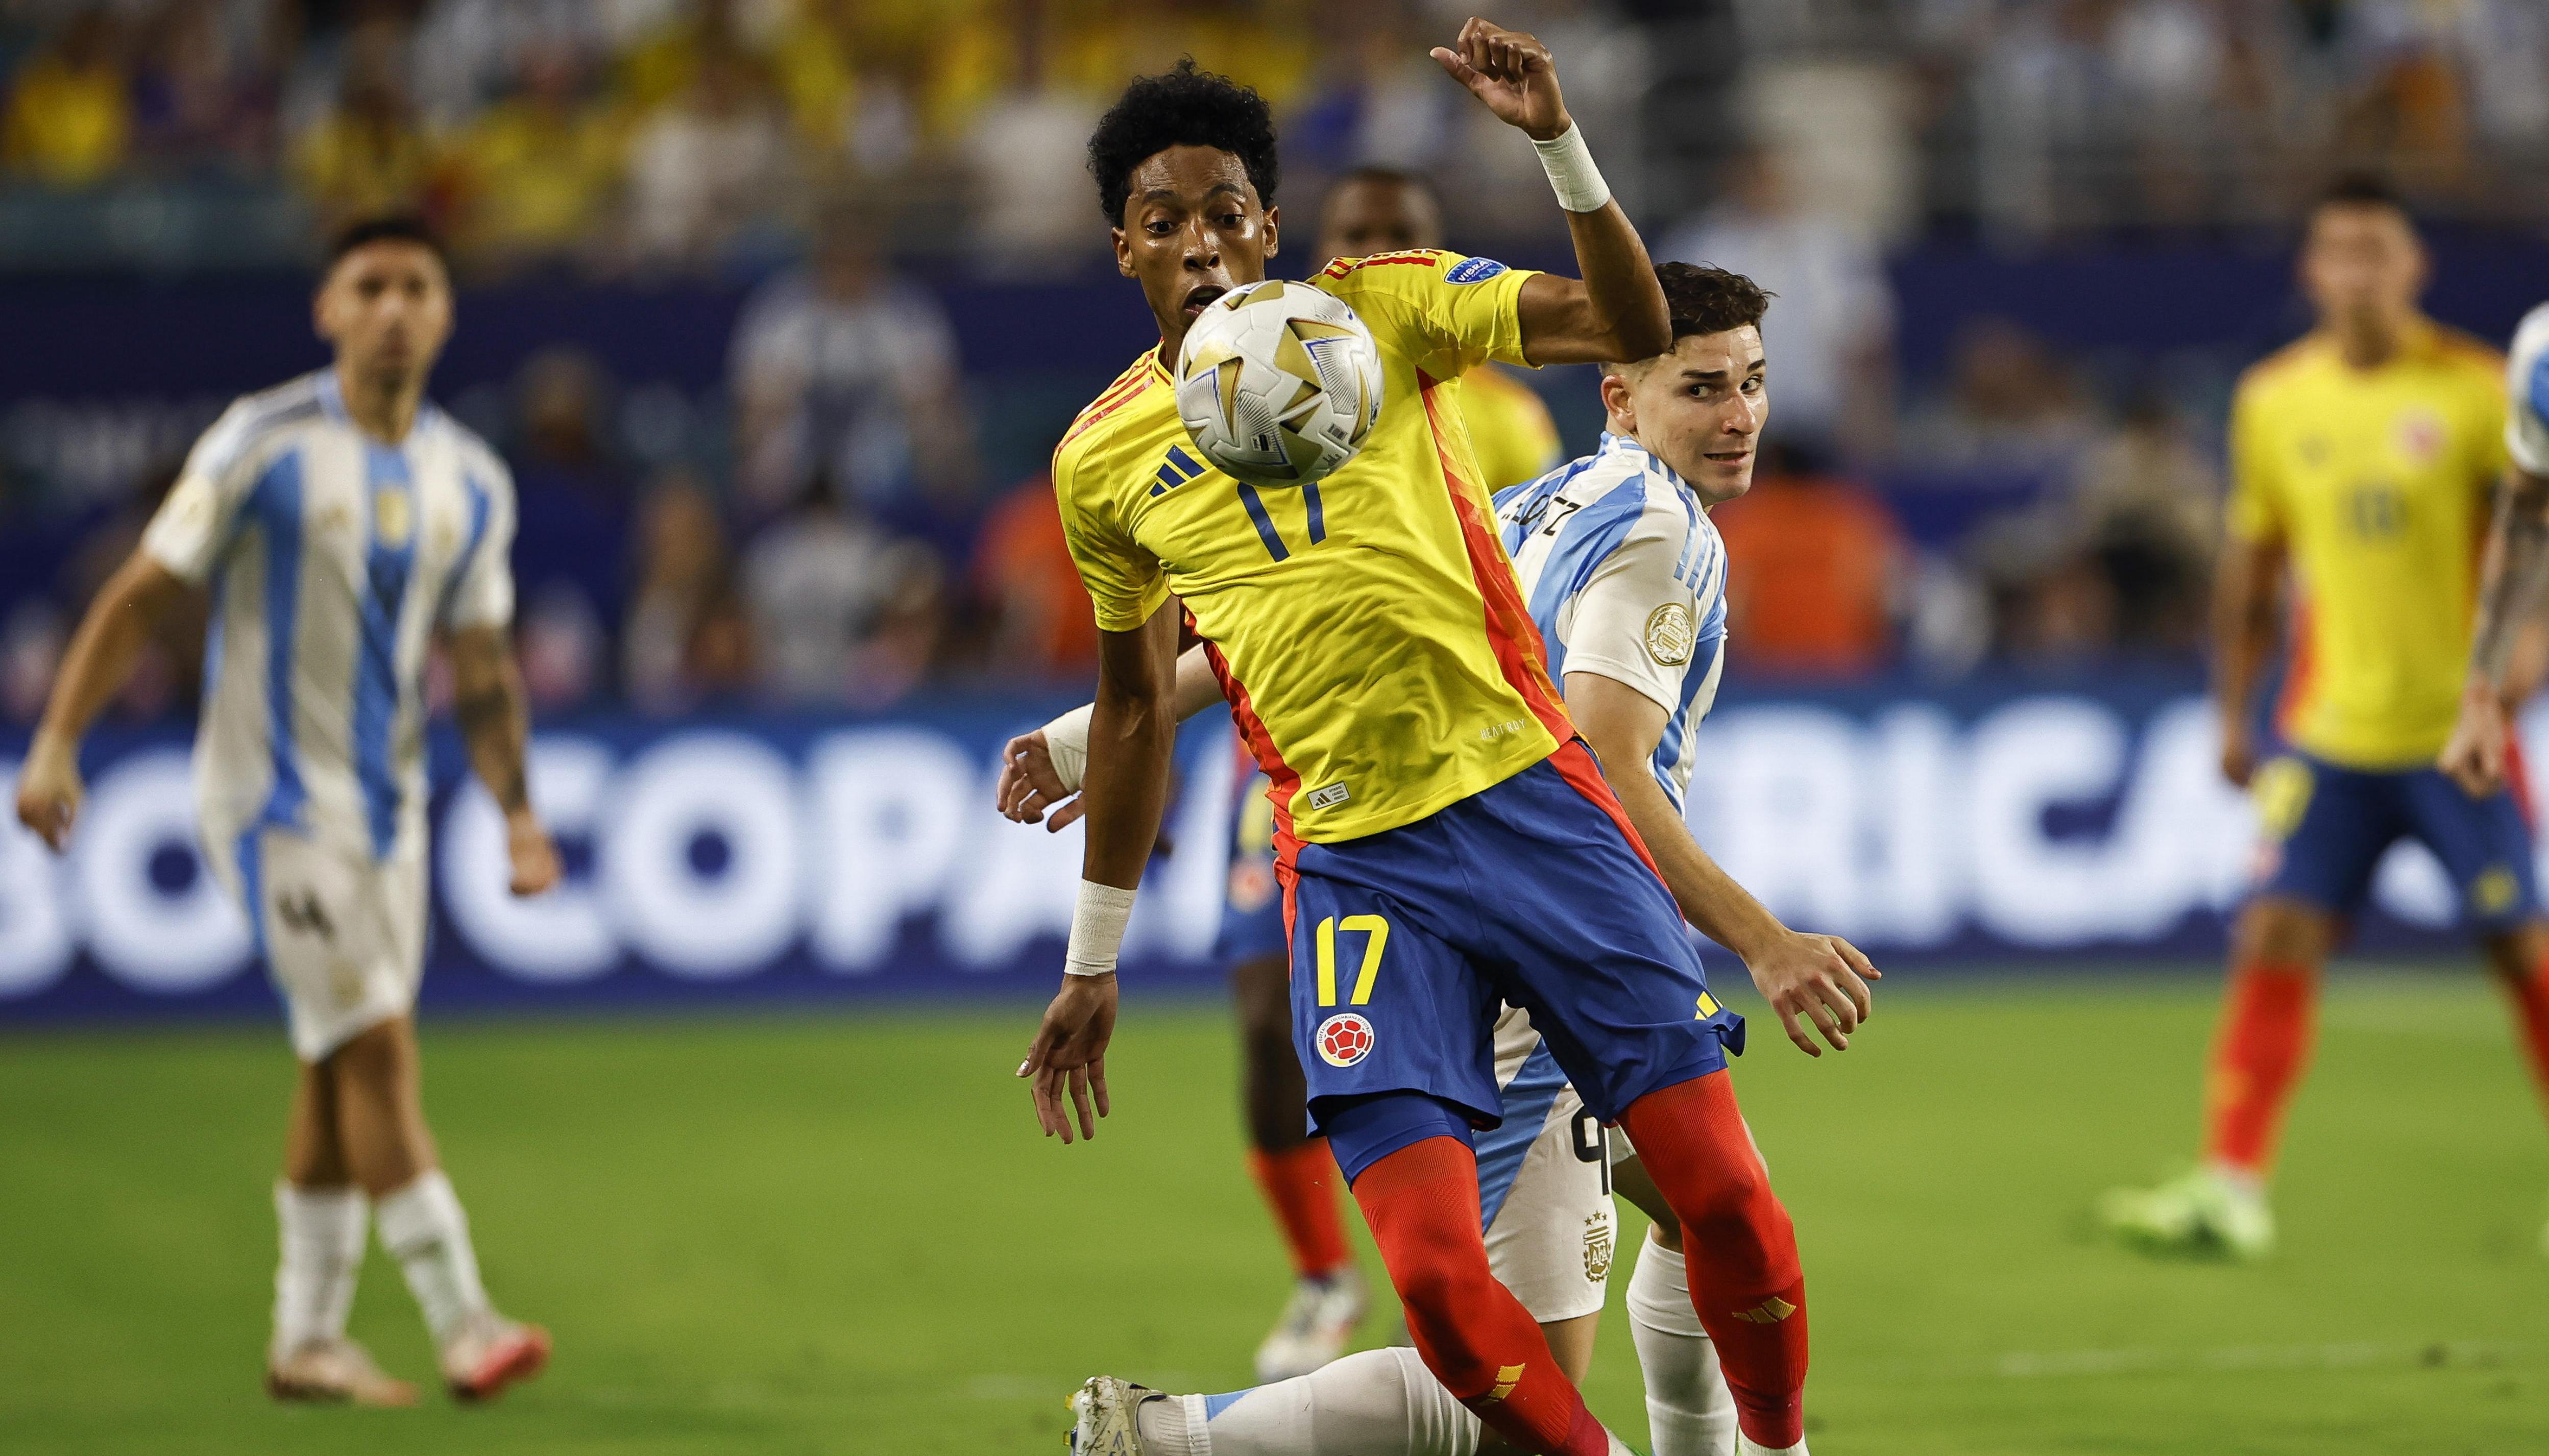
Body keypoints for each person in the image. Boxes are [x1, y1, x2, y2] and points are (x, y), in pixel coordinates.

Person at [1013, 28, 1824, 1456]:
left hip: (1536, 808)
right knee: (1447, 1290)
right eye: (1162, 222)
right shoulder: (1104, 459)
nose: (1198, 243)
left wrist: (1555, 141)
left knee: (1729, 1201)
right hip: (1357, 869)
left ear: (1269, 224)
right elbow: (1142, 698)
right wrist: (1095, 954)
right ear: (1121, 248)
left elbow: (1624, 326)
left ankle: (1773, 1443)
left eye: (1224, 213)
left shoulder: (1383, 311)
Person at [13, 217, 557, 1404]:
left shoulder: (473, 478)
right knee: (376, 1044)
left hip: (391, 813)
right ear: (328, 309)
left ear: (448, 312)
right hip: (266, 804)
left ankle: (304, 1338)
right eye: (370, 286)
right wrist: (57, 739)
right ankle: (464, 1321)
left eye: (418, 285)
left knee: (332, 1061)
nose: (395, 307)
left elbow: (482, 662)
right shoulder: (262, 442)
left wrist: (516, 812)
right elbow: (142, 594)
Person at [2102, 176, 2549, 1260]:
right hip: (2327, 730)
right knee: (2273, 932)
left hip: (2454, 733)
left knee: (2519, 951)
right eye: (2337, 252)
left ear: (2414, 267)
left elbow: (2530, 541)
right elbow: (2251, 571)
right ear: (2310, 271)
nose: (2356, 272)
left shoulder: (2481, 388)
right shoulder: (2271, 399)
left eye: (2376, 252)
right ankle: (2230, 1184)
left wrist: (2510, 676)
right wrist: (2231, 711)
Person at [1206, 162, 1573, 1388]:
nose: (1371, 250)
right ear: (1321, 247)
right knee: (1268, 1020)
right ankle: (1323, 1272)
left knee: (1499, 1027)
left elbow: (1538, 583)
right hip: (1289, 750)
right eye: (1353, 234)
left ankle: (1479, 1267)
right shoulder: (1239, 376)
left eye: (1396, 236)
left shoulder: (1506, 413)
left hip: (1462, 756)